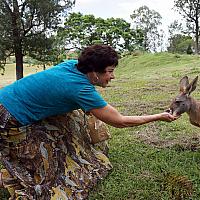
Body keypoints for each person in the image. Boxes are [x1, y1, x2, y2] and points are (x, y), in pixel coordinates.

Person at [0, 44, 179, 188]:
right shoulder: (80, 89)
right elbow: (120, 121)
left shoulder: (71, 66)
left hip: (6, 99)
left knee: (77, 115)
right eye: (109, 71)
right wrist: (158, 116)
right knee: (44, 180)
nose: (113, 76)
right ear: (94, 72)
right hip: (9, 117)